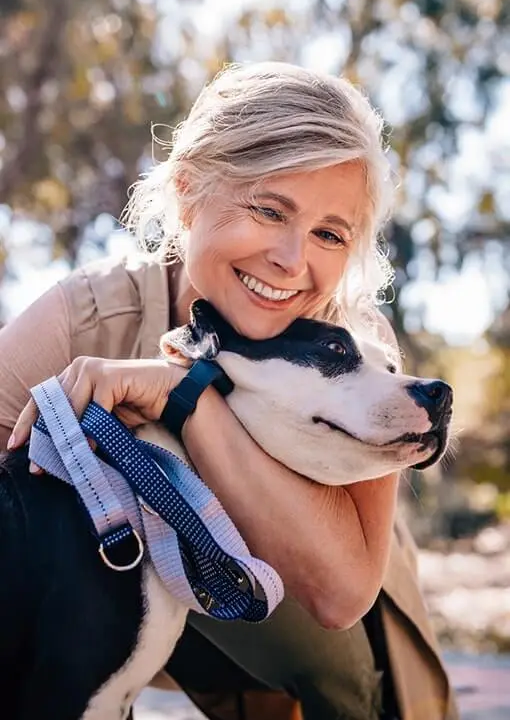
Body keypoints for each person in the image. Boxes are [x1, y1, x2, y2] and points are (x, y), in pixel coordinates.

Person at [3, 62, 458, 720]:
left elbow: (339, 596)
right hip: (112, 602)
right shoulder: (87, 316)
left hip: (313, 638)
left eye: (330, 234)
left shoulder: (359, 351)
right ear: (188, 193)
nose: (292, 260)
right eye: (269, 210)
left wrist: (182, 398)